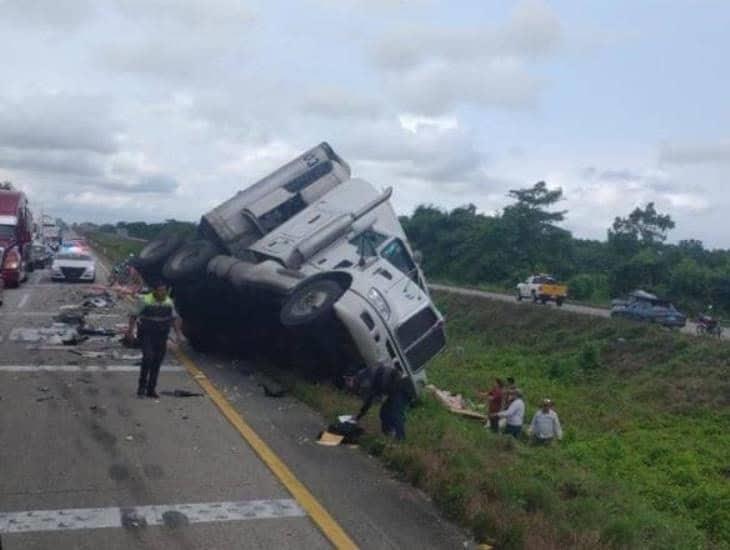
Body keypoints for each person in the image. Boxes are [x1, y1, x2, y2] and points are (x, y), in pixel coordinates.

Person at [127, 282, 183, 398]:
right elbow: (133, 316)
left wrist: (178, 334)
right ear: (154, 291)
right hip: (147, 335)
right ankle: (142, 387)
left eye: (164, 290)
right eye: (160, 290)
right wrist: (130, 332)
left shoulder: (168, 302)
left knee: (157, 362)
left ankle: (151, 389)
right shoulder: (145, 300)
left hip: (161, 336)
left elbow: (174, 319)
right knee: (148, 358)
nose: (162, 293)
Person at [345, 363, 411, 441]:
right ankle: (389, 435)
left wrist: (358, 416)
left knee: (396, 414)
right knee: (384, 413)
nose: (347, 385)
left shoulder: (364, 381)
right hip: (394, 389)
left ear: (352, 379)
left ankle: (400, 439)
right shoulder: (362, 376)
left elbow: (369, 401)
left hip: (401, 387)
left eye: (348, 381)